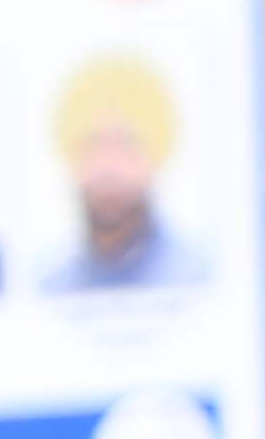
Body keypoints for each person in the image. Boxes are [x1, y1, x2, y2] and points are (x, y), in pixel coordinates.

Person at [54, 56, 211, 293]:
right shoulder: (54, 284)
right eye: (93, 146)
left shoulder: (194, 276)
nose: (109, 167)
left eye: (125, 146)